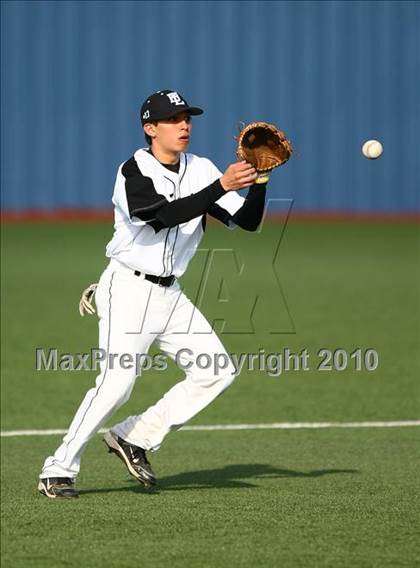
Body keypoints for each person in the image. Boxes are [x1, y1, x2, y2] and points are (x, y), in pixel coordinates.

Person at [38, 90, 268, 499]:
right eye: (174, 119)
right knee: (117, 384)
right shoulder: (134, 170)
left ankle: (134, 436)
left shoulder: (200, 169)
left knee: (217, 370)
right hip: (127, 289)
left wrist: (260, 179)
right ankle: (58, 468)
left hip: (170, 295)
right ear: (150, 128)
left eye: (188, 118)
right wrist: (220, 185)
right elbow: (161, 217)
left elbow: (247, 221)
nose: (184, 125)